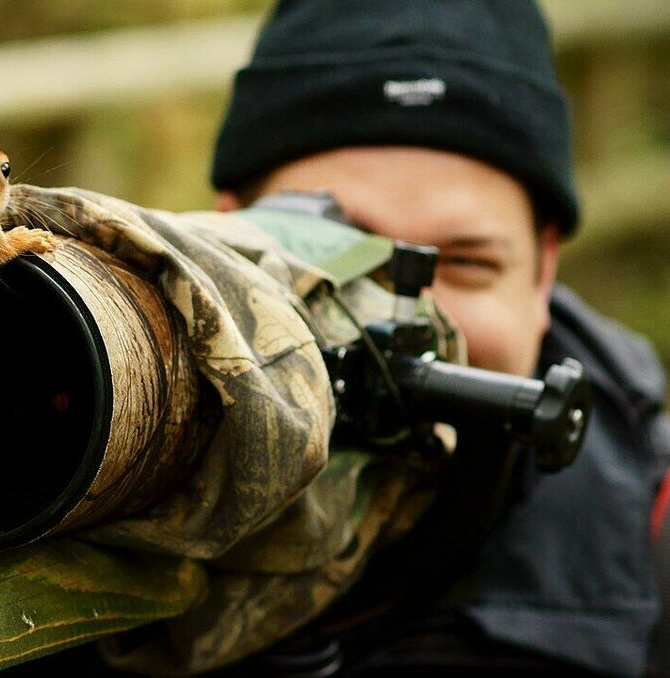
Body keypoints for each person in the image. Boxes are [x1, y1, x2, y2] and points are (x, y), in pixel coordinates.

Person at [210, 0, 670, 676]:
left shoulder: (653, 560)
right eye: (337, 251)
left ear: (543, 273)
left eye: (463, 264)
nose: (404, 323)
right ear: (218, 237)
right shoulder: (71, 506)